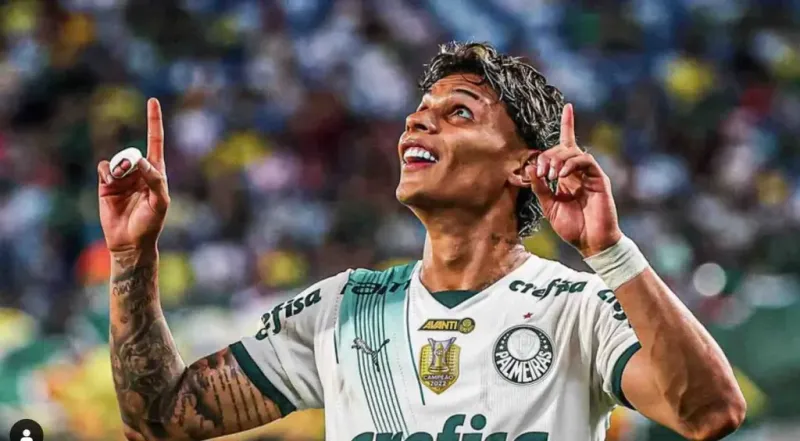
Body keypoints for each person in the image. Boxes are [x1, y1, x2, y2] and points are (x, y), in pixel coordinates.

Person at [98, 42, 745, 441]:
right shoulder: (342, 310)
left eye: (458, 111)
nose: (417, 121)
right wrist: (132, 258)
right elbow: (159, 419)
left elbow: (711, 413)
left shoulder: (576, 307)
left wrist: (610, 251)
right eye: (419, 111)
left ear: (524, 165)